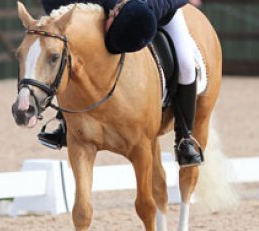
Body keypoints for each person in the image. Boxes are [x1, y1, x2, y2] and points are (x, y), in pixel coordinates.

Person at [38, 0, 203, 167]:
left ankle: (185, 138)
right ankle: (66, 121)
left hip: (159, 10)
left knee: (186, 65)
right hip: (109, 9)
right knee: (72, 50)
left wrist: (140, 9)